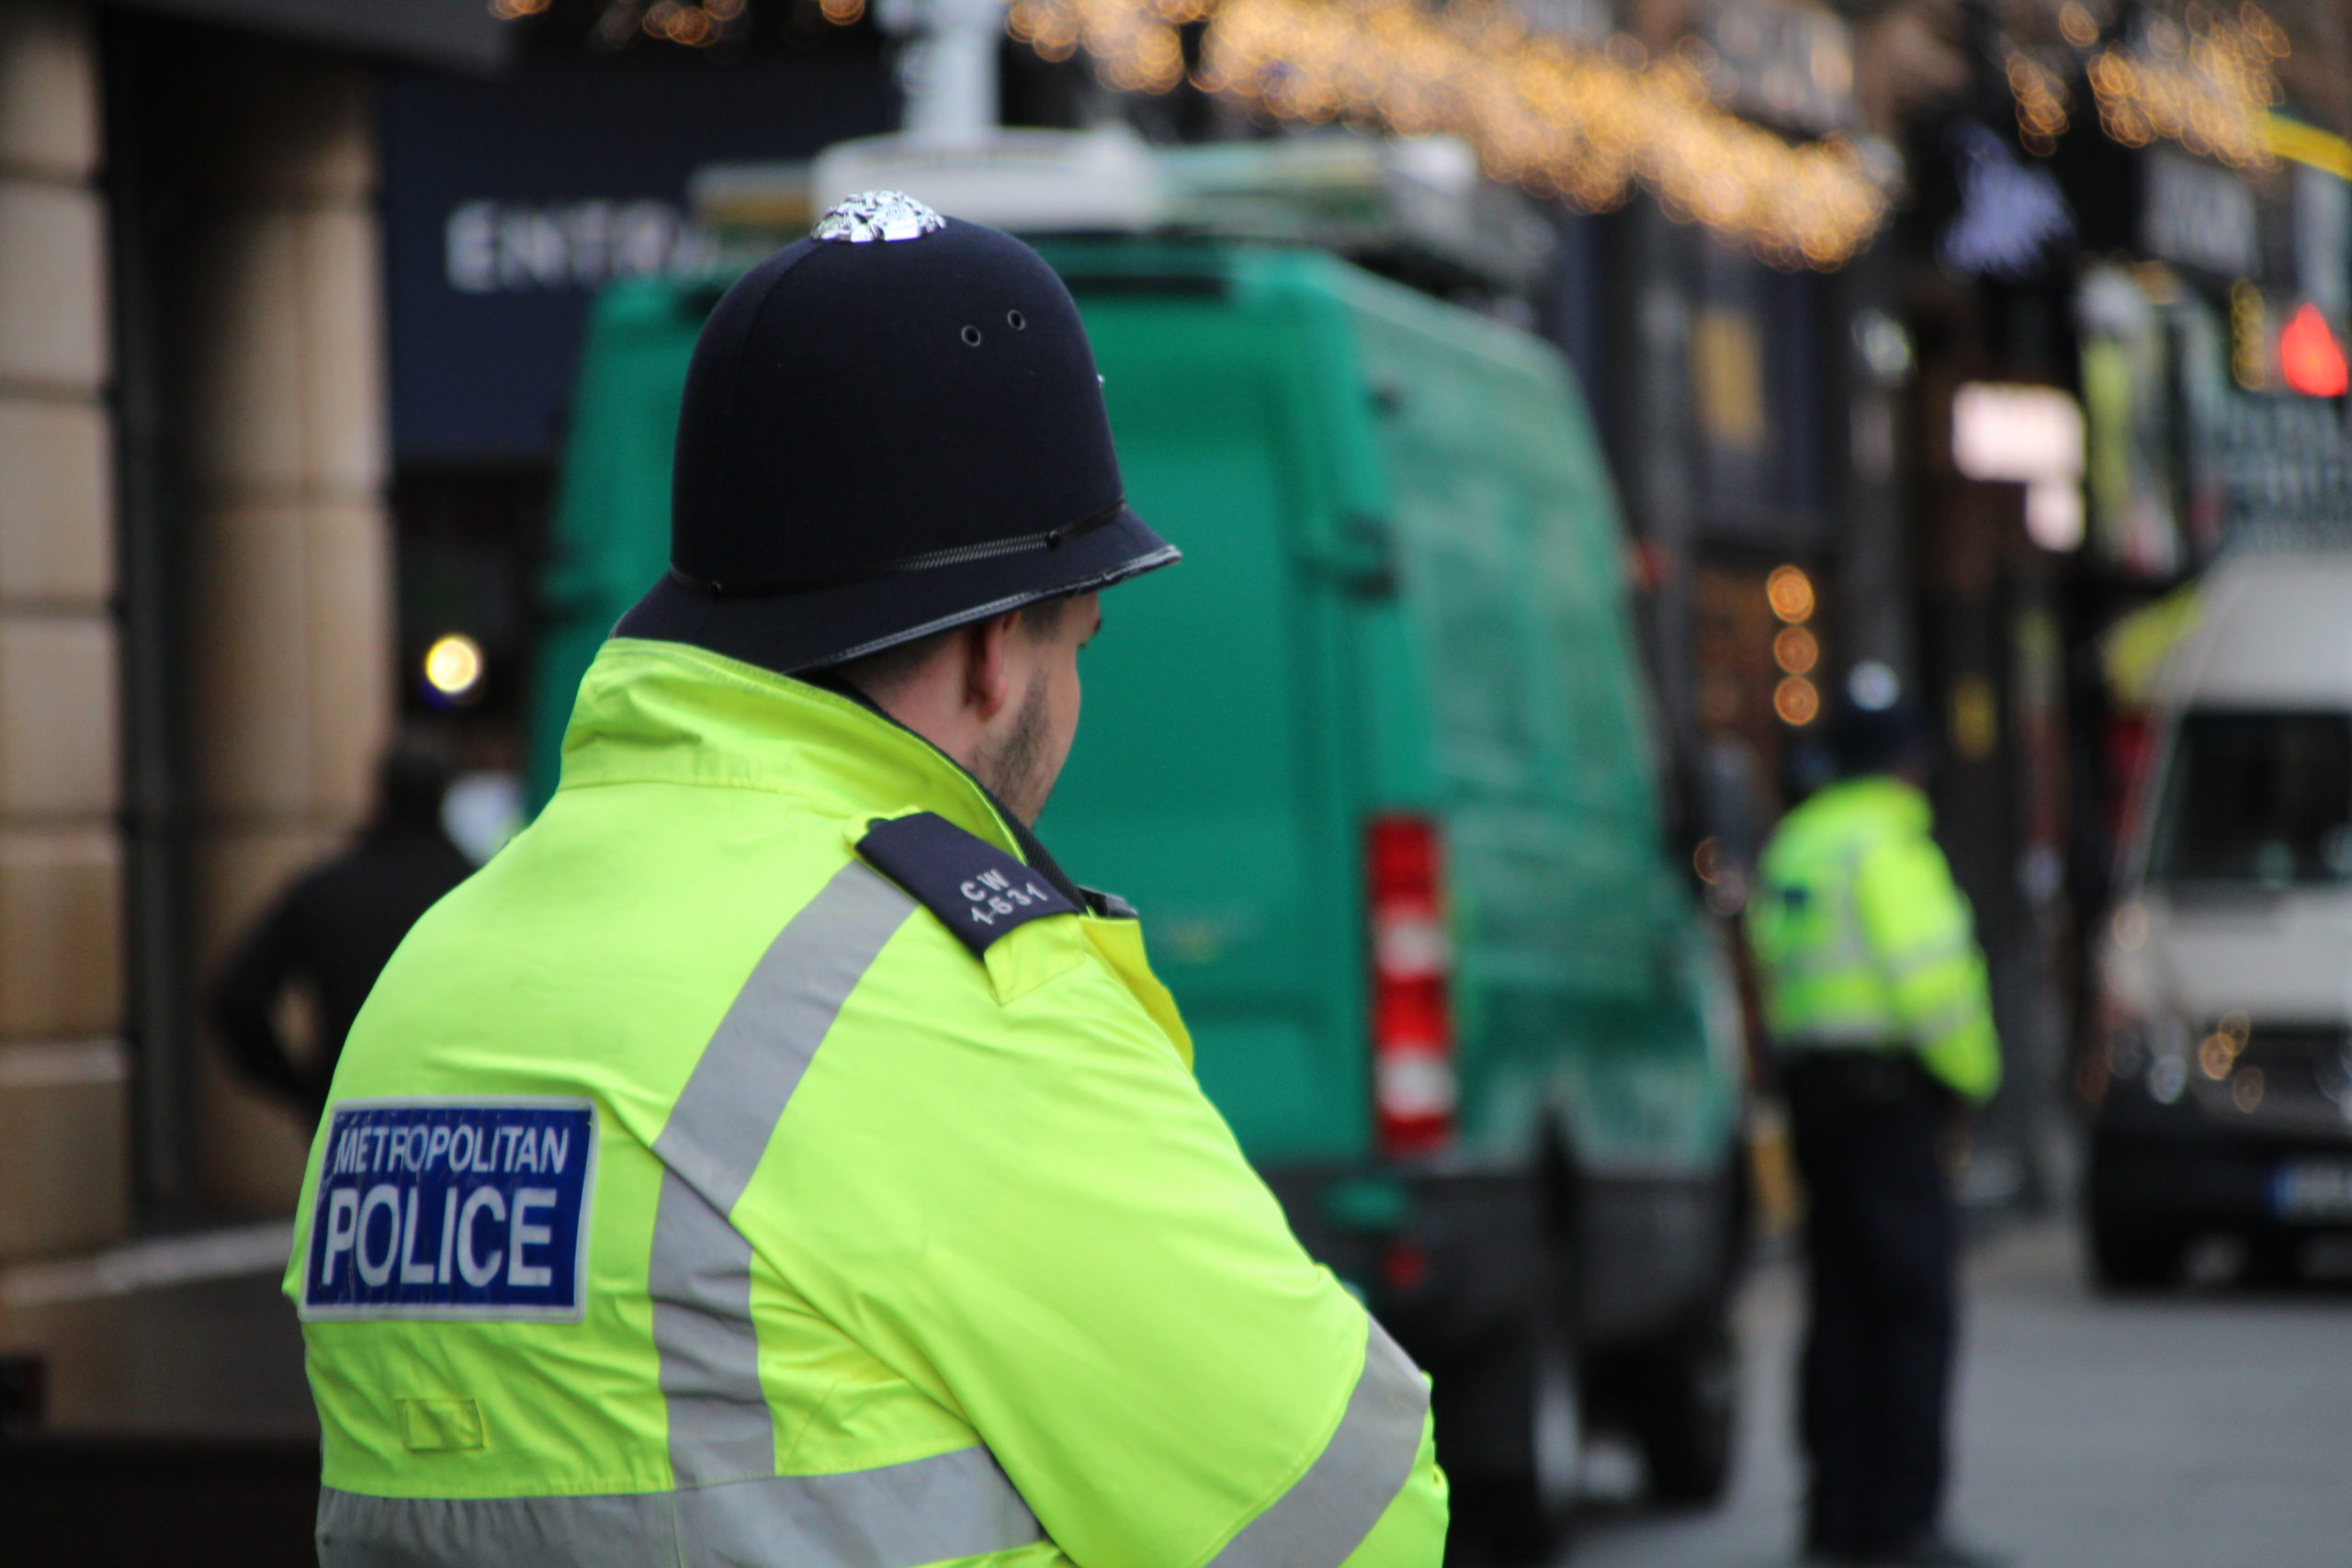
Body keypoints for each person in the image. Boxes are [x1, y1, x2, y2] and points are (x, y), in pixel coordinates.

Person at [284, 193, 1448, 1568]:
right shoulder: (953, 998)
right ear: (996, 651)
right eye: (1083, 636)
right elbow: (1354, 1512)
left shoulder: (437, 978)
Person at [1747, 691, 2003, 1568]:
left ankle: (1834, 1513)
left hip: (1815, 1098)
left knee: (1839, 1308)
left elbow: (1770, 964)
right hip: (1892, 1105)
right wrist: (1973, 1078)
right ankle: (1902, 1523)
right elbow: (1933, 983)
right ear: (1902, 766)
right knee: (1911, 1310)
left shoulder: (1799, 842)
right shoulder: (1889, 844)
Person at [210, 739, 475, 1122]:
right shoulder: (473, 889)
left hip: (349, 1114)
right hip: (456, 1113)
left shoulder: (324, 890)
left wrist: (304, 1091)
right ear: (445, 792)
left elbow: (236, 999)